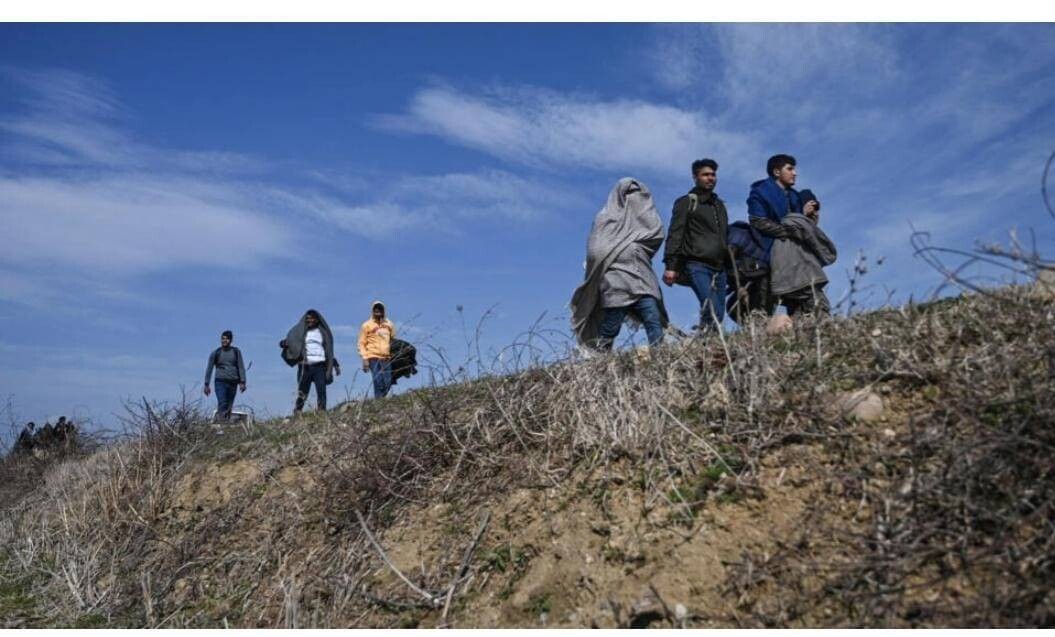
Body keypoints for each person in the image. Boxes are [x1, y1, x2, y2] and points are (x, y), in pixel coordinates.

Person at [571, 177, 669, 351]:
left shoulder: (646, 226)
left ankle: (660, 354)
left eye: (637, 193)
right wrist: (615, 251)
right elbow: (597, 249)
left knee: (652, 318)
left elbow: (655, 236)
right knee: (611, 326)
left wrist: (633, 246)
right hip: (616, 282)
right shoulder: (605, 220)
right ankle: (600, 356)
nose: (634, 197)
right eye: (629, 193)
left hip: (642, 280)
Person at [747, 153, 821, 315]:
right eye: (790, 169)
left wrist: (807, 217)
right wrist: (790, 230)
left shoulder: (794, 195)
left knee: (808, 295)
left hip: (796, 254)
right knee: (765, 304)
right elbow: (758, 221)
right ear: (776, 172)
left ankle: (811, 323)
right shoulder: (760, 193)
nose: (795, 173)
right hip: (768, 254)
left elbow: (800, 226)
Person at [662, 158, 730, 332]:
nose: (710, 178)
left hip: (720, 268)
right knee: (712, 309)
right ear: (695, 177)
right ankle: (706, 342)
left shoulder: (719, 205)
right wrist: (671, 266)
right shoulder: (686, 202)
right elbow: (675, 233)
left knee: (718, 314)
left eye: (713, 174)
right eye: (705, 175)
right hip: (697, 264)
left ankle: (706, 342)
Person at [768, 189, 837, 316]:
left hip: (787, 286)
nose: (815, 213)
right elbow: (828, 253)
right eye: (813, 207)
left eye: (817, 209)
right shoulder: (797, 222)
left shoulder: (787, 226)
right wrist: (804, 217)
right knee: (820, 311)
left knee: (798, 317)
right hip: (803, 281)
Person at [281, 309, 337, 414]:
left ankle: (321, 411)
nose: (310, 320)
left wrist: (334, 363)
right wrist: (283, 343)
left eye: (312, 318)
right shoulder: (301, 332)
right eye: (308, 318)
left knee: (321, 390)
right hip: (305, 366)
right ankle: (298, 411)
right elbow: (291, 340)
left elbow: (328, 350)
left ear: (317, 320)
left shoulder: (323, 333)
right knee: (303, 392)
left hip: (319, 366)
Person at [203, 330, 247, 422]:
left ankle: (226, 423)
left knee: (229, 404)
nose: (224, 341)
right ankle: (221, 422)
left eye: (226, 339)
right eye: (223, 339)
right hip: (220, 381)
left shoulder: (236, 352)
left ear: (230, 340)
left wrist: (242, 382)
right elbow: (209, 368)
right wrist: (206, 384)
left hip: (233, 382)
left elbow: (241, 367)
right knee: (222, 402)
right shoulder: (216, 353)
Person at [358, 301, 397, 398]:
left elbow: (393, 340)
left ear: (383, 311)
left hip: (386, 357)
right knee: (378, 380)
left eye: (380, 309)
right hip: (373, 357)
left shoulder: (389, 324)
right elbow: (361, 343)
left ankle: (381, 399)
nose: (377, 311)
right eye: (375, 309)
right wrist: (364, 358)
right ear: (373, 311)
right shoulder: (366, 325)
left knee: (388, 381)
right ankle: (379, 401)